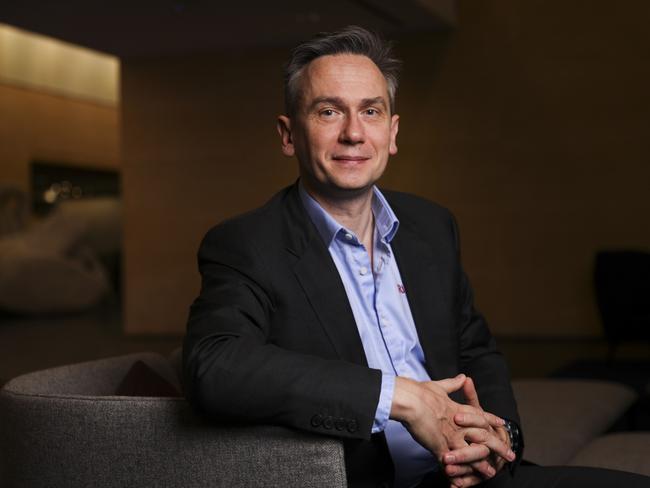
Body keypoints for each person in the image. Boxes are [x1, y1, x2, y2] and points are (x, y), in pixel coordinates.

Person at [183, 26, 650, 488]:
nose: (353, 133)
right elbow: (215, 366)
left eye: (371, 111)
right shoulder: (247, 243)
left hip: (472, 481)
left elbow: (476, 350)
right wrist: (398, 396)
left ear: (392, 131)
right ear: (289, 135)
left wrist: (499, 438)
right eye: (328, 112)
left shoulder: (431, 227)